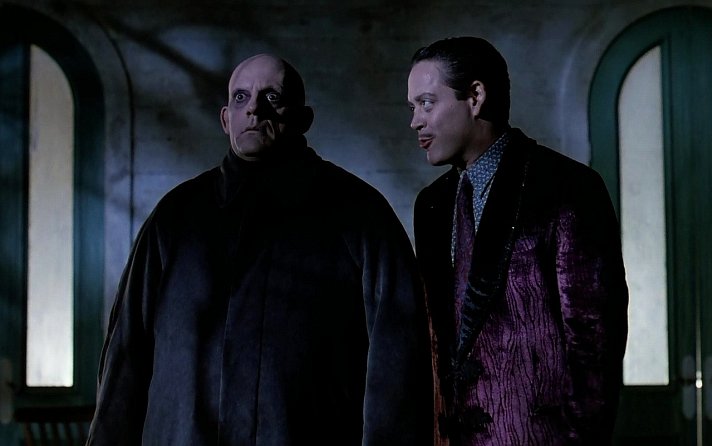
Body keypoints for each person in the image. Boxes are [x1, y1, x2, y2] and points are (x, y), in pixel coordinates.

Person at [87, 53, 432, 445]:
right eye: (241, 97)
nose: (253, 108)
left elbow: (398, 365)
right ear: (225, 119)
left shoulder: (359, 215)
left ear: (303, 119)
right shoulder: (176, 218)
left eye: (272, 97)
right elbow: (126, 356)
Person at [407, 37, 629, 445]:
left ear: (475, 97)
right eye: (413, 108)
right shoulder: (432, 206)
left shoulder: (566, 188)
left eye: (426, 103)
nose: (415, 122)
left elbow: (594, 346)